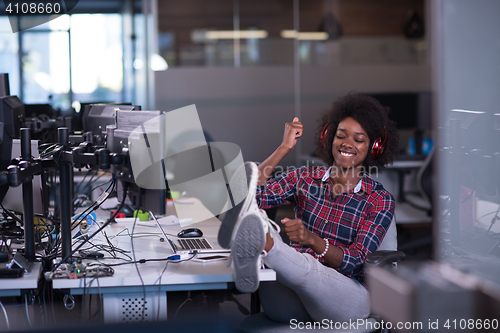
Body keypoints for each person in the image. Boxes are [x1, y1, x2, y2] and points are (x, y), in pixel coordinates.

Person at [218, 93, 399, 324]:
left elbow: (356, 261)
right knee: (252, 212)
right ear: (329, 138)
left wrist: (312, 240)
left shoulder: (379, 199)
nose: (347, 143)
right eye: (341, 136)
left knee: (306, 266)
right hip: (293, 299)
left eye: (358, 139)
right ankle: (264, 241)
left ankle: (266, 245)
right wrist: (284, 148)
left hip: (344, 303)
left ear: (374, 147)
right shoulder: (305, 177)